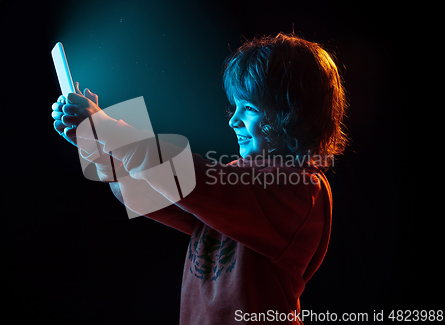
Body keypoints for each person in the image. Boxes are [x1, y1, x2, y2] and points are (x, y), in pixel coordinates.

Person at [51, 33, 348, 324]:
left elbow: (187, 177)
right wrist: (97, 144)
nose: (233, 120)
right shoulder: (237, 177)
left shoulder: (301, 190)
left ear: (292, 115)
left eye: (250, 108)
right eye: (235, 107)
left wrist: (105, 127)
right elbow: (145, 194)